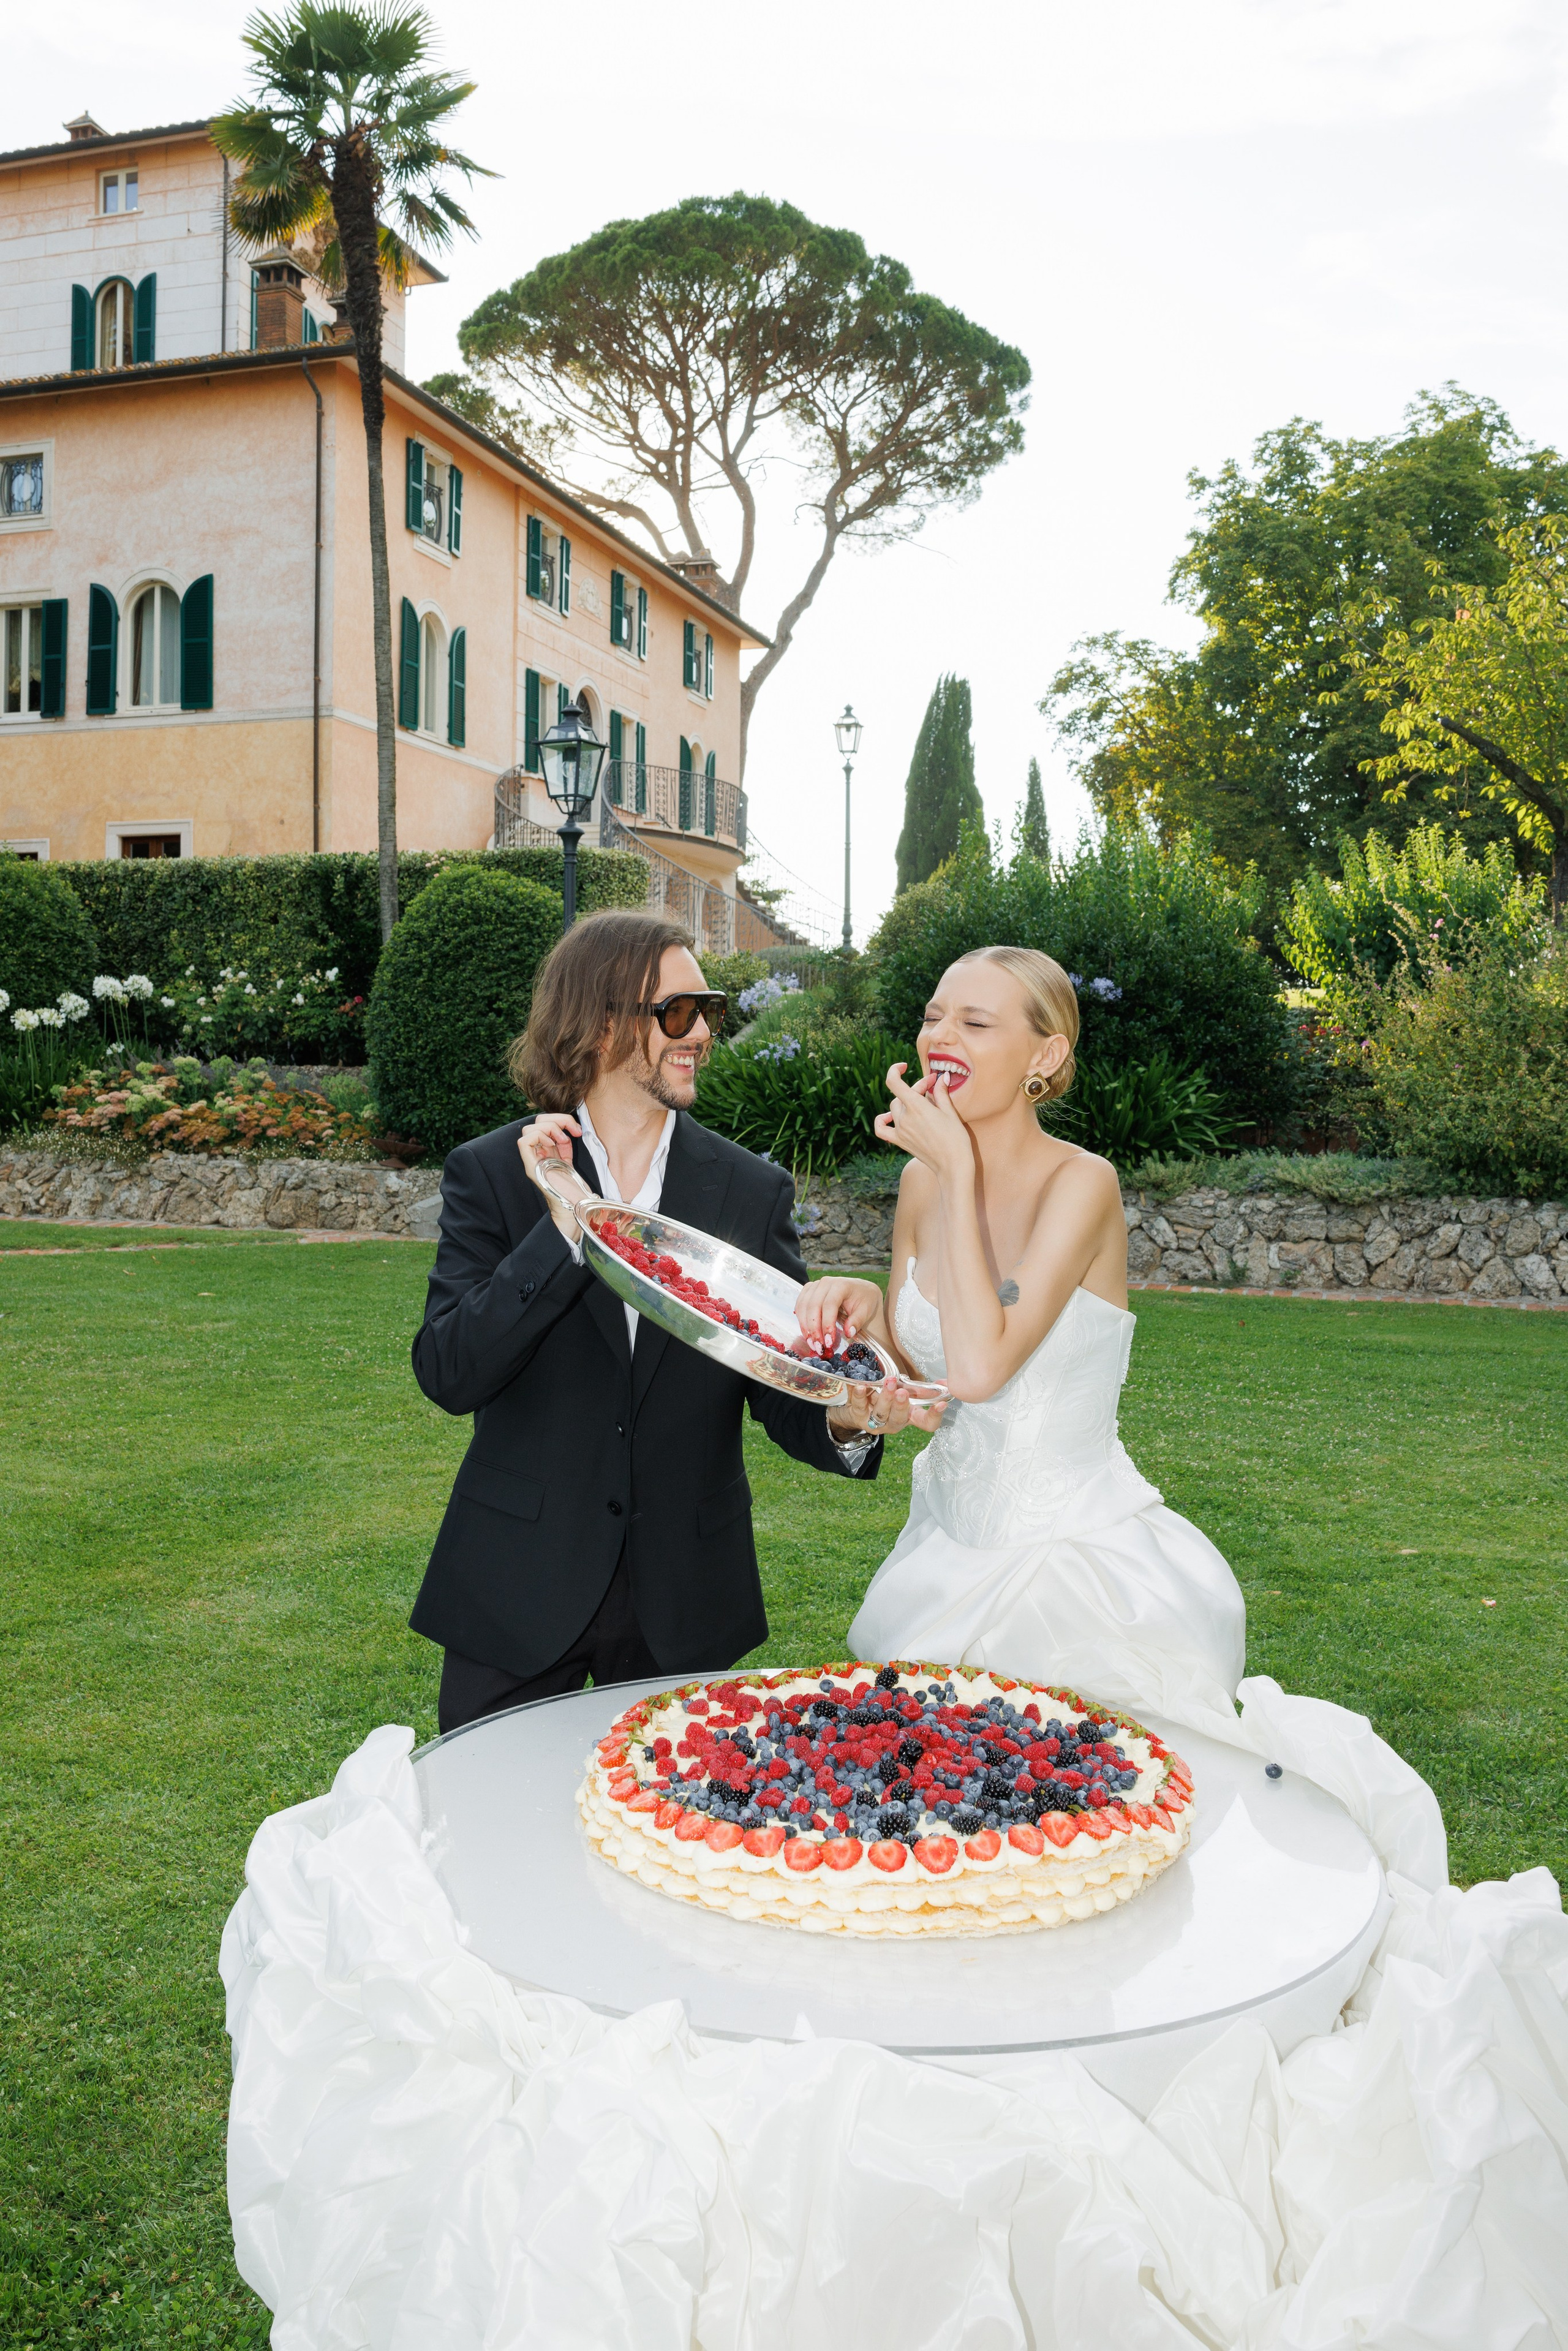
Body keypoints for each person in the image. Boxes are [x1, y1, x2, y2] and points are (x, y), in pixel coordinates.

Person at [409, 908, 920, 1735]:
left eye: (708, 1012)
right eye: (678, 1013)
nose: (701, 1036)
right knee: (487, 1833)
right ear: (601, 1020)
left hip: (684, 1593)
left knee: (664, 1854)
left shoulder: (749, 1190)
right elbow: (450, 1371)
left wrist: (847, 1411)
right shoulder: (495, 1172)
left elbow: (779, 1381)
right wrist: (568, 1223)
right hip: (518, 1581)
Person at [793, 944, 1248, 1732]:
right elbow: (925, 1367)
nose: (941, 1038)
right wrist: (868, 1311)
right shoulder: (917, 1181)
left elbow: (979, 1367)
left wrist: (957, 1172)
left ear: (1045, 1054)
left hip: (1070, 1578)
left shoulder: (1081, 1184)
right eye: (935, 1017)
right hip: (943, 1552)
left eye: (975, 1021)